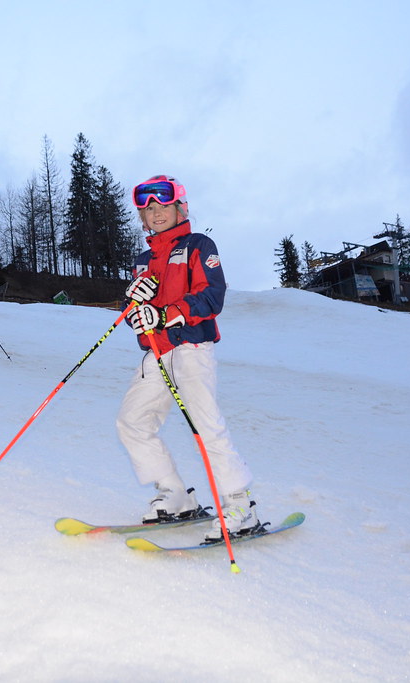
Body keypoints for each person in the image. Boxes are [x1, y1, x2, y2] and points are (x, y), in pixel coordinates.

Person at [116, 175, 258, 542]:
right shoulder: (143, 260)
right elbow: (137, 313)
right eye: (147, 209)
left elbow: (212, 296)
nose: (156, 213)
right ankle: (175, 495)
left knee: (206, 425)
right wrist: (133, 303)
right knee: (132, 422)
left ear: (181, 207)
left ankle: (239, 505)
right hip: (155, 354)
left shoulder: (198, 245)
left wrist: (165, 314)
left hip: (191, 349)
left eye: (163, 205)